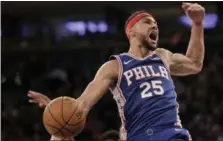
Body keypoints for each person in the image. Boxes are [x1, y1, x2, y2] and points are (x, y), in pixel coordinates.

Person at [28, 2, 205, 141]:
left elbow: (194, 64)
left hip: (171, 134)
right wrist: (57, 109)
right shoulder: (115, 66)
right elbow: (82, 105)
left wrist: (197, 23)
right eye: (148, 22)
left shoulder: (163, 56)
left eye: (156, 24)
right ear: (131, 31)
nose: (155, 27)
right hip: (139, 136)